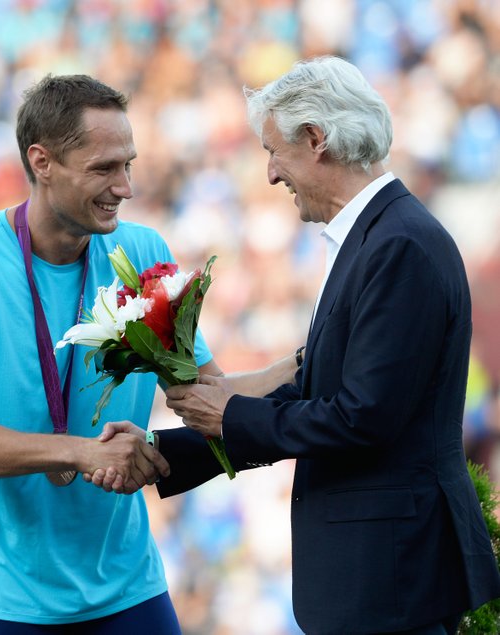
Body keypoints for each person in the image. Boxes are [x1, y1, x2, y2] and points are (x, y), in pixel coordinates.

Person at [156, 56, 500, 634]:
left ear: (316, 140)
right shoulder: (374, 237)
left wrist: (232, 415)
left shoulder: (400, 245)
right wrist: (166, 454)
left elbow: (363, 418)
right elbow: (319, 394)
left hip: (390, 579)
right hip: (378, 576)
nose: (269, 174)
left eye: (273, 151)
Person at [0, 73, 222, 633]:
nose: (125, 187)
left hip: (127, 587)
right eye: (103, 169)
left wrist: (302, 366)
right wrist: (76, 452)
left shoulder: (144, 252)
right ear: (41, 162)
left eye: (128, 165)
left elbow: (203, 394)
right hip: (0, 598)